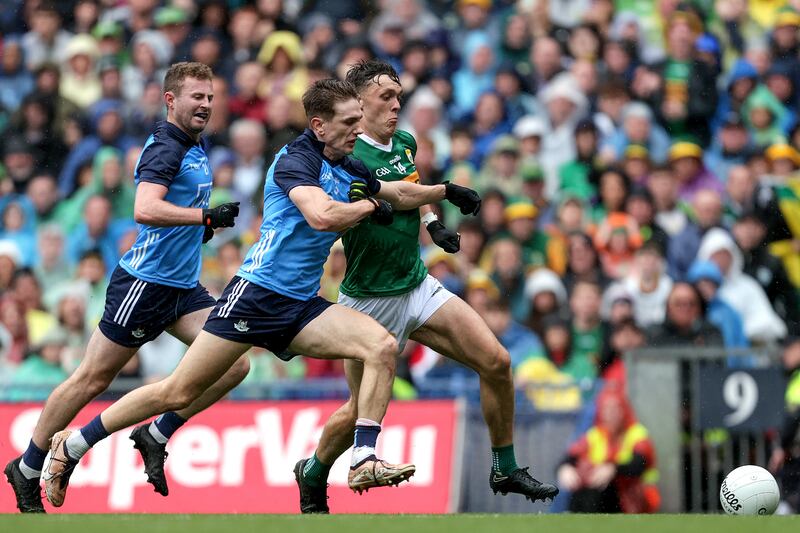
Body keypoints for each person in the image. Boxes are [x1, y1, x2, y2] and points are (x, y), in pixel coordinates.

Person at [42, 78, 479, 507]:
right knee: (176, 391)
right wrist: (368, 206)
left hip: (301, 305)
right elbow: (322, 216)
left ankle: (363, 457)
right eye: (349, 122)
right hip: (255, 296)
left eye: (358, 120)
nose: (357, 130)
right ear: (320, 126)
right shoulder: (295, 161)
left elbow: (396, 191)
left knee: (381, 346)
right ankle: (75, 444)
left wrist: (445, 191)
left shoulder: (348, 162)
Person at [294, 60, 558, 514]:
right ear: (359, 103)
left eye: (399, 97)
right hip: (367, 300)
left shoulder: (404, 142)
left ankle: (505, 465)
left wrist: (432, 224)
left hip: (417, 287)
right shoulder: (346, 156)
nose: (397, 106)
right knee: (358, 406)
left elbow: (410, 190)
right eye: (386, 98)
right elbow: (393, 193)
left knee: (496, 361)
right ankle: (314, 472)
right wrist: (442, 193)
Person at [4, 62, 246, 514]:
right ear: (171, 100)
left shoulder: (195, 143)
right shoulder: (164, 146)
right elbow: (145, 208)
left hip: (182, 288)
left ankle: (157, 432)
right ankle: (30, 465)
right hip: (145, 284)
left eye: (211, 97)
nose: (207, 105)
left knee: (234, 366)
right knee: (91, 378)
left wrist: (199, 230)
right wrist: (204, 218)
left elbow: (174, 207)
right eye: (197, 97)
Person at [557, 386, 660, 513]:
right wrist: (565, 467)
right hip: (601, 493)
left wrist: (613, 469)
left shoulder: (637, 434)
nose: (610, 414)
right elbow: (571, 455)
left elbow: (639, 465)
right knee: (586, 483)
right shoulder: (596, 434)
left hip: (634, 495)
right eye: (606, 409)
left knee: (600, 486)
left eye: (615, 409)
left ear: (624, 410)